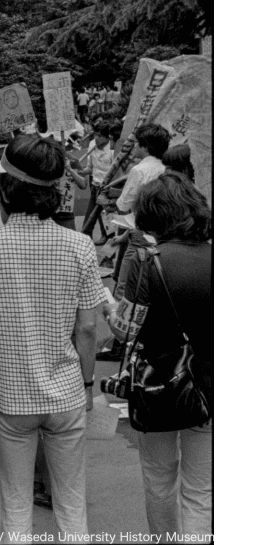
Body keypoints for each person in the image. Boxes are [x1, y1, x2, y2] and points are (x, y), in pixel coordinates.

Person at [0, 135, 106, 542]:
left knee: (16, 506)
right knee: (72, 505)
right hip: (67, 395)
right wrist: (88, 386)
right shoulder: (79, 246)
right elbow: (88, 328)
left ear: (5, 190)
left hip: (12, 398)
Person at [104, 173, 212, 539]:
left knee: (159, 480)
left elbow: (126, 331)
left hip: (157, 387)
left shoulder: (146, 261)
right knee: (201, 490)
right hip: (212, 387)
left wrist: (109, 309)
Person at [99, 124, 170, 297]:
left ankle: (118, 318)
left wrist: (105, 202)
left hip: (139, 233)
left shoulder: (139, 170)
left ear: (145, 146)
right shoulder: (167, 169)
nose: (134, 147)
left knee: (124, 284)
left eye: (137, 143)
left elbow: (123, 206)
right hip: (162, 234)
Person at [52, 151, 88, 231]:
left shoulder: (72, 161)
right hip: (47, 213)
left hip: (66, 213)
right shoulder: (43, 159)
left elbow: (83, 185)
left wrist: (70, 169)